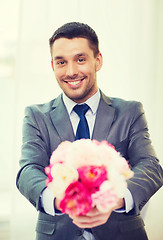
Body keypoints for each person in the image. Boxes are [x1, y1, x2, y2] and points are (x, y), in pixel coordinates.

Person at [16, 22, 163, 240]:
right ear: (53, 65)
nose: (71, 71)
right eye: (61, 62)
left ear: (98, 60)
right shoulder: (36, 116)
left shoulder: (130, 112)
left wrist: (115, 198)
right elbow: (28, 171)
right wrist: (65, 200)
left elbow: (150, 166)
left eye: (80, 59)